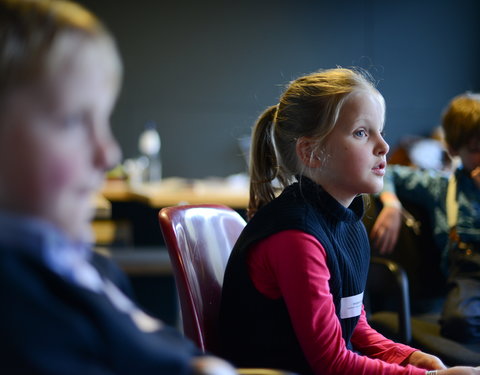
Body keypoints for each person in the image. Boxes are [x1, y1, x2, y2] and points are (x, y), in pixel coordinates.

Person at [0, 1, 236, 374]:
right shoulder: (21, 308)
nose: (108, 152)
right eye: (74, 120)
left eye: (103, 117)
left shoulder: (87, 266)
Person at [219, 68, 480, 375]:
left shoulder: (349, 222)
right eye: (361, 133)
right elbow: (331, 363)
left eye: (381, 131)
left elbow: (354, 325)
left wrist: (409, 357)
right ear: (311, 152)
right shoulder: (296, 236)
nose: (383, 146)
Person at [371, 93, 480, 343]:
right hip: (467, 278)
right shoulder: (442, 186)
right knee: (459, 322)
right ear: (453, 149)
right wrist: (392, 204)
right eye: (475, 150)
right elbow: (390, 173)